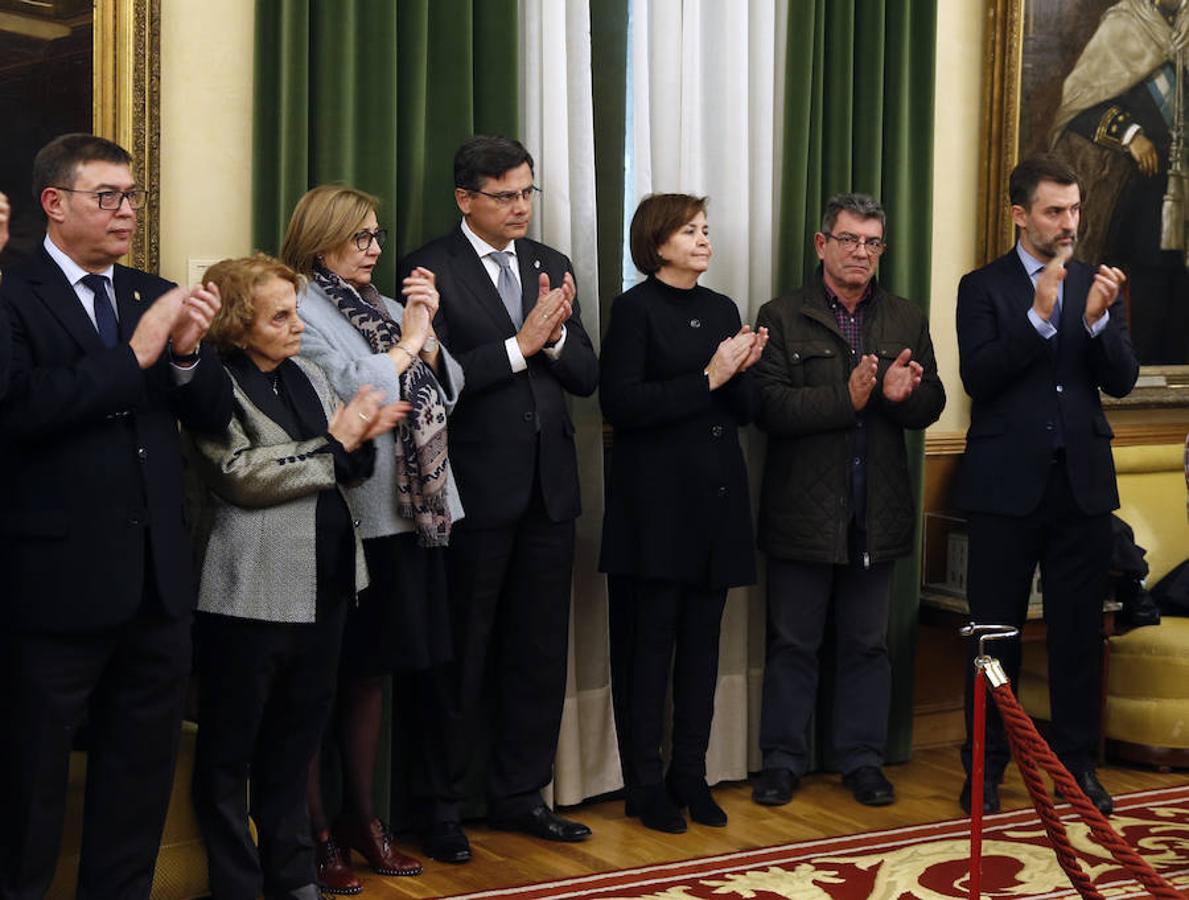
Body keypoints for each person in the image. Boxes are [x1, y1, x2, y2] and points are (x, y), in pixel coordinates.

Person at [0, 133, 232, 899]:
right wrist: (131, 357)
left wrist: (189, 355)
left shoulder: (149, 292)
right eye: (108, 196)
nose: (126, 211)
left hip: (156, 588)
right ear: (54, 204)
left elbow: (210, 416)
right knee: (28, 789)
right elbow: (17, 409)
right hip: (54, 587)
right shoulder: (11, 292)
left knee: (138, 783)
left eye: (131, 196)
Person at [399, 135, 599, 856]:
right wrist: (520, 344)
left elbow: (584, 372)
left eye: (527, 193)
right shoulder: (429, 268)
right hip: (474, 493)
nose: (520, 207)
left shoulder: (552, 265)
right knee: (462, 656)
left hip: (550, 492)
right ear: (465, 199)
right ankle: (440, 807)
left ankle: (521, 794)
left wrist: (549, 342)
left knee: (537, 653)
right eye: (505, 195)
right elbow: (438, 377)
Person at [186, 254, 407, 900]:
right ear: (236, 322)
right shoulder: (212, 384)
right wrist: (334, 448)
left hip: (328, 587)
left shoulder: (309, 373)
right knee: (229, 758)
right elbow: (242, 475)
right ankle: (238, 886)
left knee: (295, 748)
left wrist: (359, 439)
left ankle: (293, 878)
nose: (295, 326)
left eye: (294, 311)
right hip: (247, 595)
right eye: (278, 315)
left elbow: (346, 465)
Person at [281, 184, 466, 887]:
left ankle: (364, 819)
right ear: (322, 237)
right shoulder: (296, 302)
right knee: (318, 682)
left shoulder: (386, 309)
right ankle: (315, 832)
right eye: (361, 237)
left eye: (377, 237)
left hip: (406, 516)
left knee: (370, 675)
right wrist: (409, 344)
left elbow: (447, 393)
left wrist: (426, 331)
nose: (375, 250)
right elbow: (341, 394)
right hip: (346, 514)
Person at [955, 156, 1139, 816]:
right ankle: (984, 768)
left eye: (1074, 209)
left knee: (1075, 637)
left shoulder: (1099, 284)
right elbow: (979, 378)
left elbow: (1118, 380)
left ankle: (1076, 767)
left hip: (1081, 489)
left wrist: (1092, 321)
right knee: (993, 639)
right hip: (1004, 489)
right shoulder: (980, 288)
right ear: (1019, 214)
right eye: (1054, 211)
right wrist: (1037, 316)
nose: (1069, 223)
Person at [750, 193, 944, 810]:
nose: (860, 252)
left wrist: (899, 395)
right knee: (793, 643)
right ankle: (782, 762)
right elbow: (771, 409)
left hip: (876, 510)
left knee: (867, 644)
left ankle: (862, 760)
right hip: (802, 513)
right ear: (821, 244)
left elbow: (930, 404)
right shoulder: (781, 317)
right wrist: (849, 398)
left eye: (872, 243)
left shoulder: (906, 318)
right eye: (848, 239)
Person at [599, 194, 766, 833]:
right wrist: (709, 376)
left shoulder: (721, 307)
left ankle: (690, 776)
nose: (703, 239)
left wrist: (745, 367)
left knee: (703, 651)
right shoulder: (635, 309)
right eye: (690, 231)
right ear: (657, 241)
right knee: (650, 652)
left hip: (717, 505)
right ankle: (645, 785)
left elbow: (743, 407)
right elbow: (623, 403)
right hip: (655, 512)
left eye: (705, 229)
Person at [1049, 0, 1189, 364]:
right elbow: (1080, 104)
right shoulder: (1126, 22)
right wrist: (1130, 134)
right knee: (1149, 297)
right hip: (1143, 197)